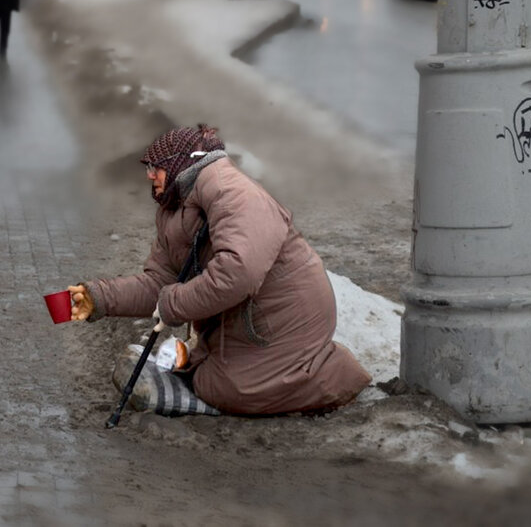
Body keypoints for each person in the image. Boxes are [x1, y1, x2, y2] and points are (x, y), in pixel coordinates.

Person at [69, 126, 371, 416]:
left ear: (179, 164)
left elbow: (238, 272)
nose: (149, 175)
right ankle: (291, 371)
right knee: (196, 372)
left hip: (279, 324)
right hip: (247, 323)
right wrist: (99, 298)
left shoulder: (231, 191)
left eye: (156, 166)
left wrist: (173, 303)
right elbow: (160, 283)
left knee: (223, 387)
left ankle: (329, 374)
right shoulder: (175, 206)